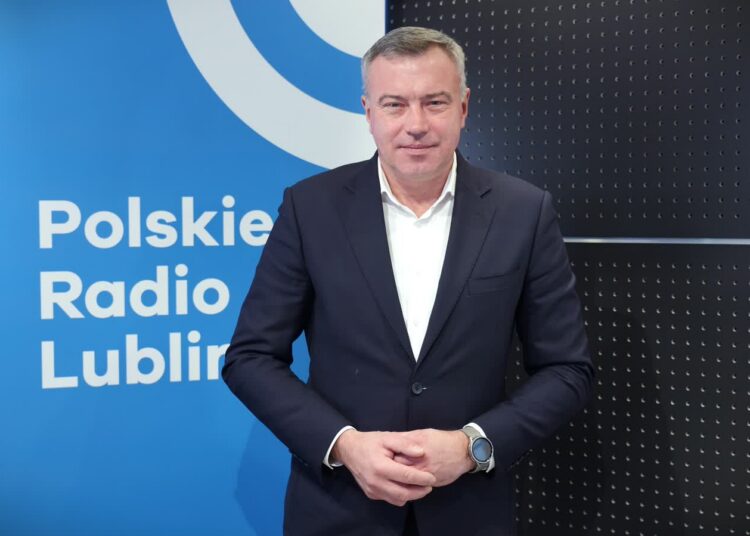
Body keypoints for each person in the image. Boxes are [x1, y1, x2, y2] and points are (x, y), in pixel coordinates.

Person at [223, 26, 594, 536]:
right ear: (368, 112)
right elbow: (250, 358)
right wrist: (344, 445)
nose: (415, 125)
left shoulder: (523, 212)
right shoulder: (309, 208)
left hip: (469, 514)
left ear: (463, 107)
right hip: (337, 512)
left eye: (434, 102)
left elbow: (567, 370)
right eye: (394, 104)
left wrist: (471, 446)